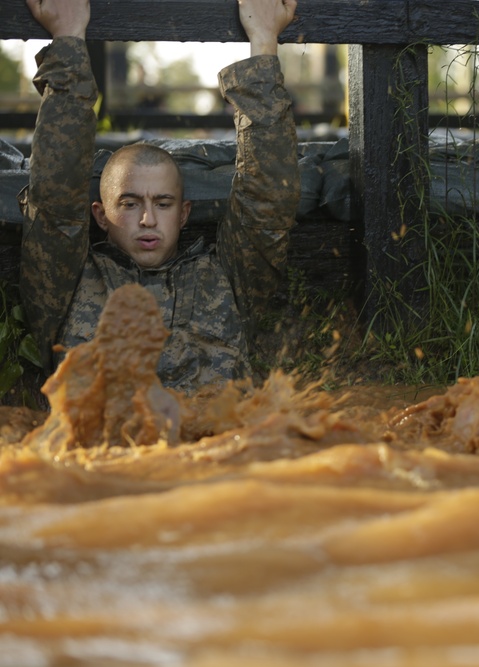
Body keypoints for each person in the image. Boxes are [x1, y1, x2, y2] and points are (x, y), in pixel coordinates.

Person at [19, 0, 301, 394]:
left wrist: (264, 42)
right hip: (109, 449)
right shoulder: (67, 284)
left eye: (163, 204)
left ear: (184, 213)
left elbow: (266, 201)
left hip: (215, 448)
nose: (148, 219)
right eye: (130, 204)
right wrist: (68, 38)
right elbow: (55, 192)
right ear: (100, 215)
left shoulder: (227, 280)